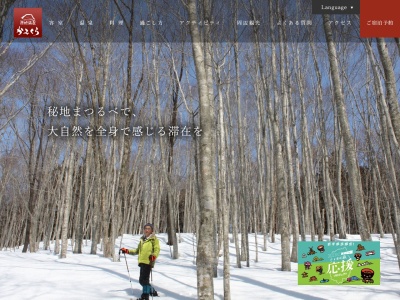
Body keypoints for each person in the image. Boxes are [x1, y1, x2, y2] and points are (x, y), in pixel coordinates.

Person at [121, 223, 160, 300]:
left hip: (148, 261)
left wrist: (154, 255)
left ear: (152, 230)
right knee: (142, 280)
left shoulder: (154, 239)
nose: (147, 230)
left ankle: (145, 296)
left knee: (144, 280)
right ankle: (152, 291)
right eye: (145, 228)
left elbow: (157, 249)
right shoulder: (142, 240)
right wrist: (127, 251)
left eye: (148, 228)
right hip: (142, 261)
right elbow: (136, 251)